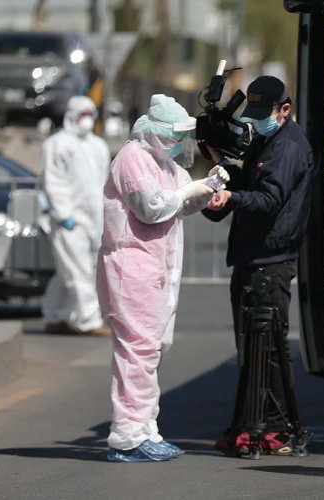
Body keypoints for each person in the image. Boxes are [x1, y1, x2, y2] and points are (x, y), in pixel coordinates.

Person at [97, 94, 228, 462]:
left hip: (157, 270)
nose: (177, 145)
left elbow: (182, 202)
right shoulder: (132, 159)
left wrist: (209, 189)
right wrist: (191, 189)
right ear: (154, 130)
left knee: (151, 350)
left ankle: (145, 428)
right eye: (173, 136)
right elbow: (152, 207)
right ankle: (127, 437)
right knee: (136, 352)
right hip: (132, 268)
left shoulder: (164, 164)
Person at [202, 75, 316, 456]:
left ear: (285, 109)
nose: (256, 121)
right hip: (256, 254)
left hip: (272, 259)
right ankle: (262, 426)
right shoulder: (269, 139)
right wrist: (223, 168)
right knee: (253, 346)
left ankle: (276, 428)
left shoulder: (289, 147)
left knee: (268, 349)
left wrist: (231, 196)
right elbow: (252, 181)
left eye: (263, 112)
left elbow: (268, 199)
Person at [41, 96, 111, 336]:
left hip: (94, 220)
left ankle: (55, 316)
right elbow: (53, 182)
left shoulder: (98, 146)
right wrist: (63, 213)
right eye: (83, 114)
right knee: (78, 271)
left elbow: (102, 183)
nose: (88, 120)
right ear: (70, 115)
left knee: (70, 271)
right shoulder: (57, 144)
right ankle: (89, 321)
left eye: (91, 114)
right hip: (68, 220)